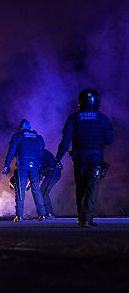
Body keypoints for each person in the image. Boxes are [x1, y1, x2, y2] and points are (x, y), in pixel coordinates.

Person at [55, 88, 113, 228]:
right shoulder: (103, 118)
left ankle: (81, 218)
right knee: (92, 188)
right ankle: (88, 219)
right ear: (97, 102)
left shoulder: (74, 118)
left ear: (80, 102)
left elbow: (65, 140)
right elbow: (109, 139)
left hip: (79, 157)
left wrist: (58, 157)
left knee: (80, 187)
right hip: (96, 156)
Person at [2, 119, 46, 222]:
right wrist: (38, 164)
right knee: (36, 190)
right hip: (35, 166)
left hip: (23, 166)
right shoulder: (37, 137)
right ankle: (42, 215)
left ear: (21, 128)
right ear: (30, 127)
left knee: (21, 190)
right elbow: (40, 153)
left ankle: (19, 216)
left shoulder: (18, 136)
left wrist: (6, 166)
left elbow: (11, 152)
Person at [39, 148, 61, 219]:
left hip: (53, 172)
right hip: (53, 172)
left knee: (43, 192)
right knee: (42, 192)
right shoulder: (41, 152)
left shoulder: (40, 153)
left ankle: (49, 213)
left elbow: (39, 168)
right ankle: (47, 213)